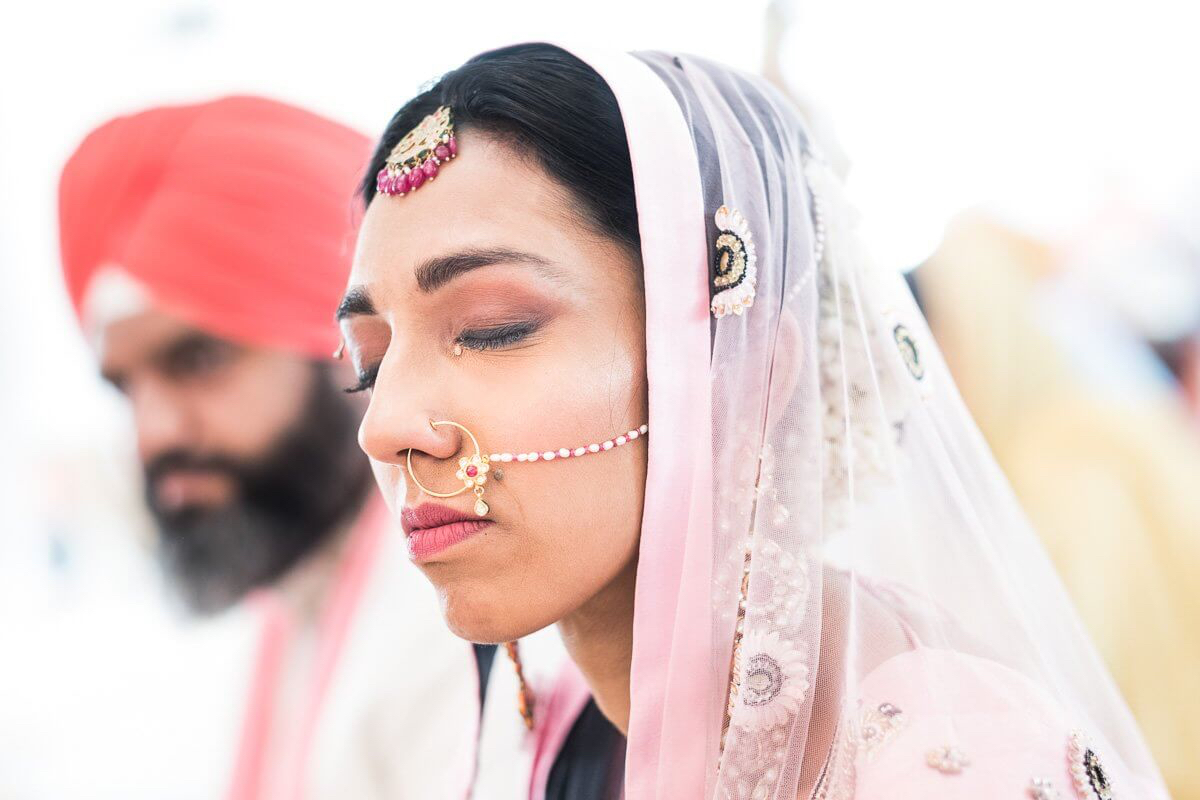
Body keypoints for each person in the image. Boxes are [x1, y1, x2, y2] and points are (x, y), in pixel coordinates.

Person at [338, 43, 1171, 798]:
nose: (387, 427)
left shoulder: (951, 761)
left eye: (492, 329)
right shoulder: (546, 720)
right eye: (370, 365)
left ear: (745, 368)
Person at [58, 96, 479, 799]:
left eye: (197, 361)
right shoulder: (284, 601)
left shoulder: (471, 618)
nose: (154, 434)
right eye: (125, 388)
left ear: (356, 349)